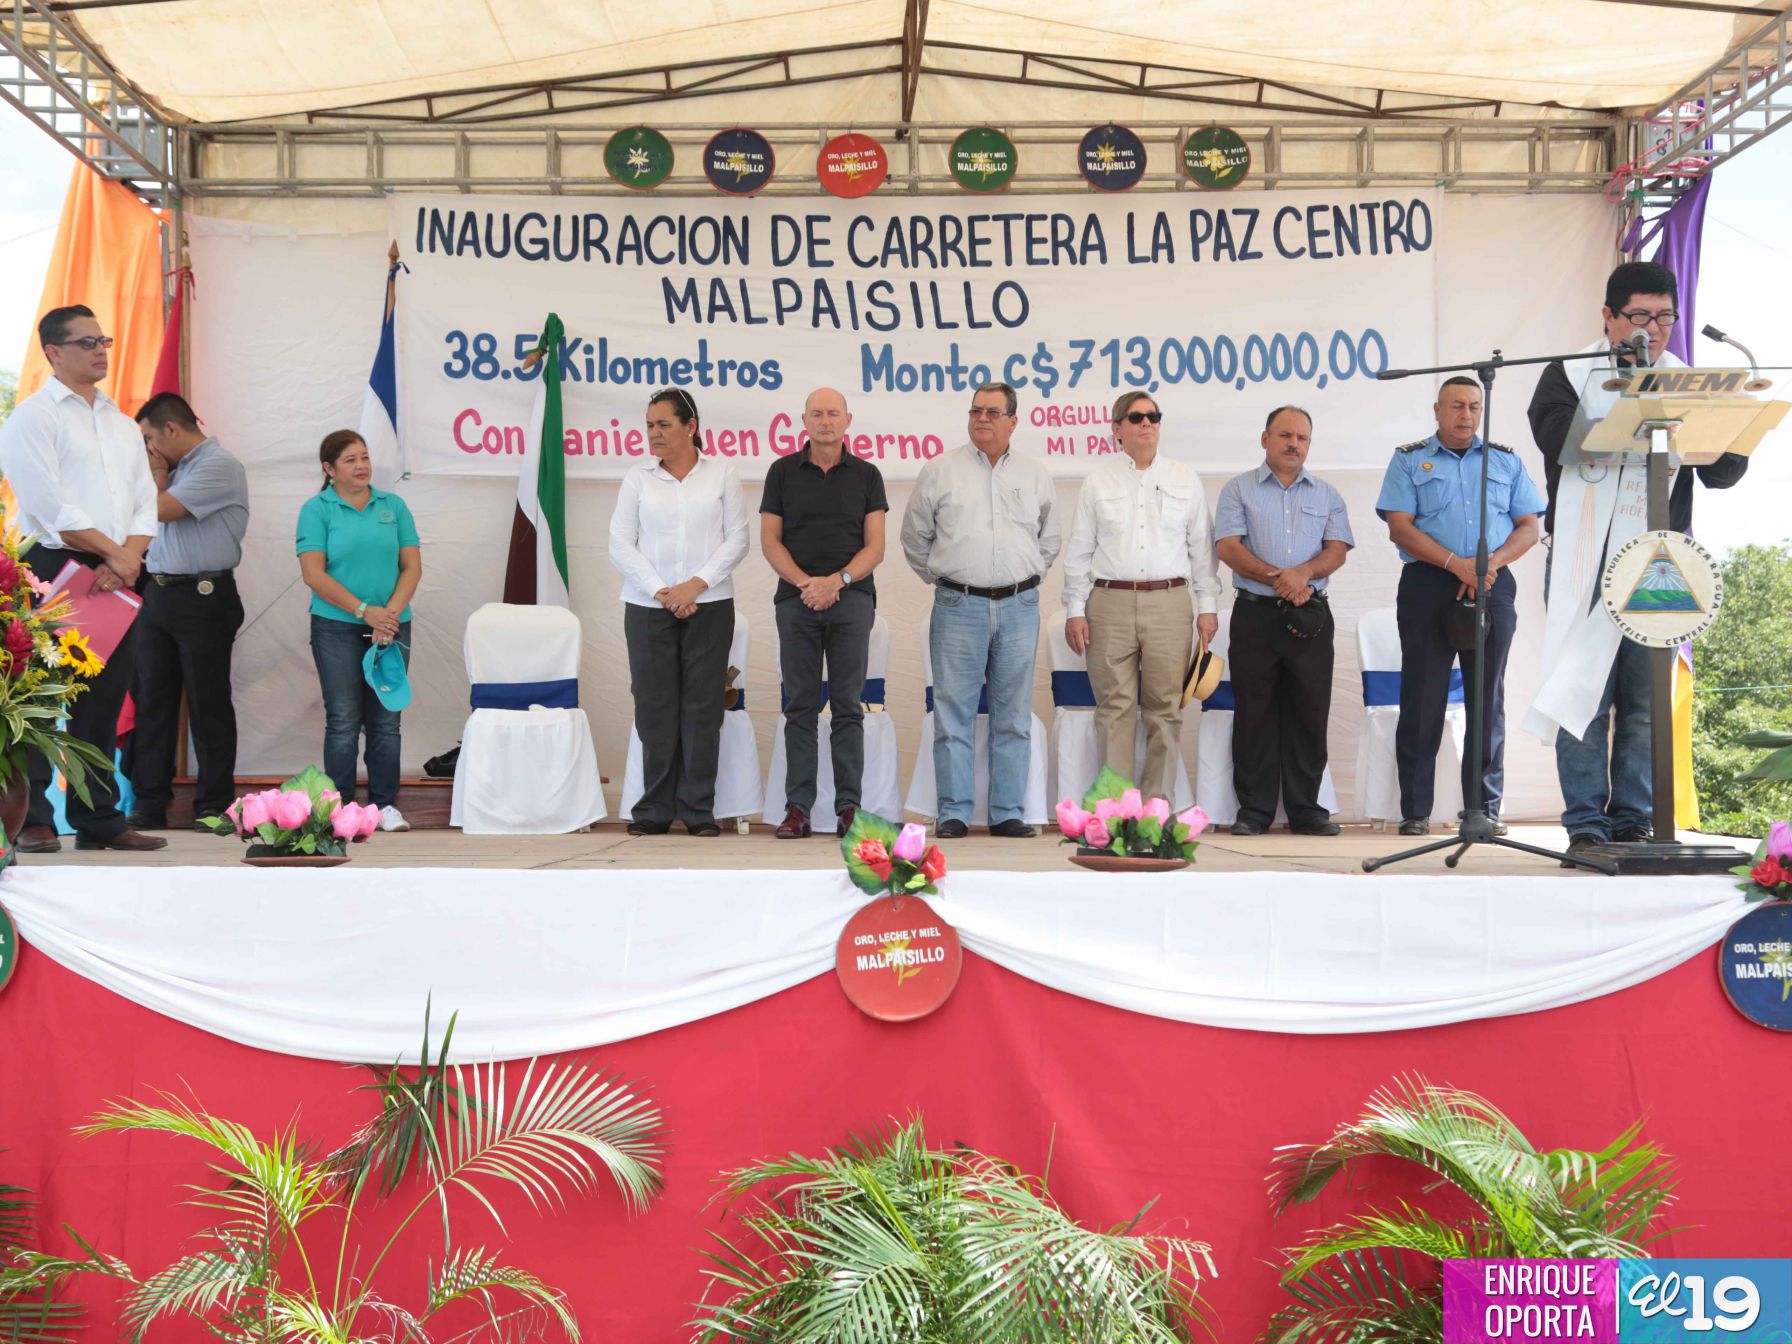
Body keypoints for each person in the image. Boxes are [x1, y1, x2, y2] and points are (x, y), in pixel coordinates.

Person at [1526, 260, 1749, 856]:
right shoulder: (1569, 374)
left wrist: (1728, 427)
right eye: (1640, 317)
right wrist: (1624, 399)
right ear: (1608, 317)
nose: (1653, 330)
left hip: (1660, 561)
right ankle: (1586, 823)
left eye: (1664, 317)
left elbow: (1724, 470)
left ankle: (1632, 817)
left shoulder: (1688, 381)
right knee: (1585, 691)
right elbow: (1556, 441)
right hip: (1585, 561)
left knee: (1646, 700)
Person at [0, 305, 163, 853]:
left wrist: (127, 559)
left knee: (101, 699)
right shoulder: (33, 417)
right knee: (42, 700)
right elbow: (49, 504)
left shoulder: (121, 423)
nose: (101, 349)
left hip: (118, 572)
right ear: (53, 352)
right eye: (87, 341)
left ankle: (99, 820)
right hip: (53, 569)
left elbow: (145, 501)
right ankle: (34, 819)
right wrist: (116, 555)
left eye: (105, 339)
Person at [1376, 377, 1544, 837]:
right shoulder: (1409, 458)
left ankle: (1483, 810)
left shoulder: (1505, 461)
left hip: (1493, 583)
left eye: (1473, 406)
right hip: (1429, 583)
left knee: (1487, 700)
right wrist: (1457, 565)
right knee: (1423, 697)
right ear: (1437, 410)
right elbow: (1400, 527)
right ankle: (1415, 811)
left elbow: (1529, 526)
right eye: (1456, 406)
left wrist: (1489, 565)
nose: (1465, 415)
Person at [900, 381, 1059, 839]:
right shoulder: (940, 470)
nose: (982, 419)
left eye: (992, 412)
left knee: (1013, 714)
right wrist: (945, 580)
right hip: (957, 605)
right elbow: (915, 538)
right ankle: (953, 812)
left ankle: (1008, 811)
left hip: (1019, 606)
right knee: (953, 714)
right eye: (975, 411)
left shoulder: (1034, 473)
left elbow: (1049, 539)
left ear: (1013, 420)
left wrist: (1024, 580)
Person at [1061, 391, 1220, 802]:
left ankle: (1155, 813)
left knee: (1165, 710)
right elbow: (1079, 550)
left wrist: (1207, 608)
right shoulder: (1098, 481)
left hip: (1170, 601)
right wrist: (1075, 610)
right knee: (1114, 710)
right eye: (1136, 417)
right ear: (1117, 429)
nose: (1146, 423)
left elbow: (1203, 550)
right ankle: (1113, 813)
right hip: (1109, 602)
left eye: (1153, 416)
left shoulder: (1185, 478)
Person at [608, 388, 748, 837]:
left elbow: (737, 539)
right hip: (648, 606)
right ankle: (653, 811)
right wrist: (663, 591)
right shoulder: (638, 477)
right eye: (649, 425)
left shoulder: (722, 473)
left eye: (663, 424)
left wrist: (696, 585)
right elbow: (619, 543)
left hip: (709, 605)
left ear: (691, 427)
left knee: (703, 709)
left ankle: (698, 810)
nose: (654, 434)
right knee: (655, 708)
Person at [1214, 406, 1353, 836]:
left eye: (1302, 438)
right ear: (1265, 439)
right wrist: (1282, 579)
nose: (1294, 444)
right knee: (1254, 712)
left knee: (1309, 712)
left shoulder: (1327, 494)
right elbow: (1229, 548)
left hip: (1310, 616)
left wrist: (1304, 575)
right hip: (1255, 615)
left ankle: (1306, 810)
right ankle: (1254, 811)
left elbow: (1337, 549)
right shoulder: (1238, 490)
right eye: (1285, 435)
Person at [760, 387, 887, 839]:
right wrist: (805, 584)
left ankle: (848, 808)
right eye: (817, 413)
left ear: (848, 420)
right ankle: (798, 809)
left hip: (851, 600)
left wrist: (837, 582)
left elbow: (876, 546)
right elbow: (770, 540)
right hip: (796, 601)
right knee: (799, 707)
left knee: (848, 708)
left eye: (833, 413)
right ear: (804, 420)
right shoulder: (781, 472)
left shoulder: (868, 475)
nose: (825, 421)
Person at [125, 392, 250, 832]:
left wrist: (157, 473)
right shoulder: (177, 468)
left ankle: (214, 803)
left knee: (207, 702)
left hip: (204, 596)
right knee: (152, 702)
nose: (149, 449)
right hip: (157, 593)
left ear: (171, 430)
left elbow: (161, 510)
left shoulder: (219, 465)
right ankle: (148, 801)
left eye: (149, 438)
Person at [295, 430, 422, 832]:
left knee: (386, 719)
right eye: (350, 460)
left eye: (364, 457)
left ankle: (384, 804)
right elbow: (313, 574)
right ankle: (341, 808)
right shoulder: (317, 510)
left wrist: (391, 615)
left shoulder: (394, 506)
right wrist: (365, 611)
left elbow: (412, 567)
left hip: (392, 626)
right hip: (336, 627)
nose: (361, 466)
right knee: (345, 719)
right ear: (329, 469)